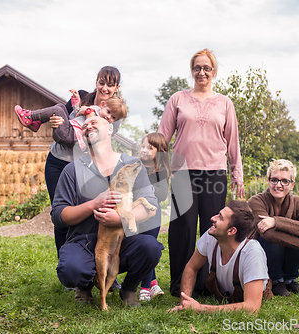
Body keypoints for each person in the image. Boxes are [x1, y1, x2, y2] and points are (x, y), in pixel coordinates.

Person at [51, 115, 164, 306]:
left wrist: (121, 220)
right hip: (83, 241)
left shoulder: (132, 165)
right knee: (71, 270)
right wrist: (93, 204)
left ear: (110, 129)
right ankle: (84, 286)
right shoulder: (72, 170)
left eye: (94, 122)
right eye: (85, 126)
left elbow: (151, 206)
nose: (88, 126)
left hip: (122, 241)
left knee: (150, 248)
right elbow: (59, 216)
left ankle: (129, 288)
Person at [158, 48, 245, 298]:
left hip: (215, 173)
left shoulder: (225, 103)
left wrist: (237, 173)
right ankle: (179, 285)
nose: (202, 72)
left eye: (207, 68)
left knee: (213, 228)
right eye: (197, 67)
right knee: (183, 229)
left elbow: (233, 142)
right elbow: (163, 137)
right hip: (183, 172)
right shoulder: (178, 99)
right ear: (192, 70)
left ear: (214, 72)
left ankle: (205, 284)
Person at [35, 66, 122, 259]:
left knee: (88, 214)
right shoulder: (82, 98)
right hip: (57, 162)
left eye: (110, 85)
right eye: (102, 82)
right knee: (60, 212)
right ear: (96, 81)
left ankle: (88, 261)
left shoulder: (113, 112)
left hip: (83, 167)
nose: (104, 88)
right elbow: (62, 117)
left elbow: (99, 140)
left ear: (116, 87)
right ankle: (65, 264)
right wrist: (56, 123)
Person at [168, 200, 270, 314]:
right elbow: (191, 267)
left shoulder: (252, 253)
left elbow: (252, 308)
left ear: (231, 231)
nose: (213, 218)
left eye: (220, 217)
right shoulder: (211, 236)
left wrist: (200, 308)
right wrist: (185, 302)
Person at [248, 159, 299, 297]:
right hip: (261, 253)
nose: (278, 185)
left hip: (287, 253)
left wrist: (275, 221)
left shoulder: (298, 203)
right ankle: (275, 280)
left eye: (284, 181)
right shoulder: (256, 201)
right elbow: (267, 234)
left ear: (292, 185)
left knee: (291, 231)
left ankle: (290, 279)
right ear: (267, 181)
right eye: (274, 180)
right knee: (274, 237)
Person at [14, 91, 127, 150]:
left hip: (69, 137)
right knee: (61, 107)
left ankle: (30, 116)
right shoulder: (95, 109)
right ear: (102, 105)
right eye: (108, 112)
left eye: (113, 117)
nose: (109, 117)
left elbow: (92, 129)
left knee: (58, 110)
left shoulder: (103, 125)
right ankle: (36, 122)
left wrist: (88, 113)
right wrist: (76, 100)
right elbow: (77, 112)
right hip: (68, 131)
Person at [137, 133, 171, 301]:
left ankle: (144, 288)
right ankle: (152, 283)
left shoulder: (161, 171)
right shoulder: (136, 166)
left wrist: (144, 188)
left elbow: (162, 194)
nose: (144, 150)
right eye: (143, 146)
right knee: (145, 250)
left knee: (148, 248)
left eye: (149, 148)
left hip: (152, 217)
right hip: (137, 215)